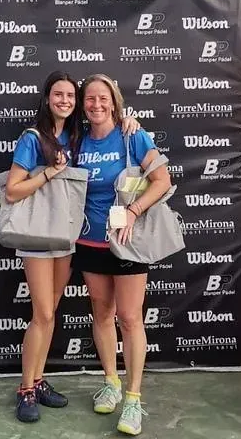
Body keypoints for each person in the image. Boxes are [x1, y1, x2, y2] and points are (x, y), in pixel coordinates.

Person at [4, 70, 141, 423]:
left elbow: (114, 134)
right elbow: (12, 190)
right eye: (58, 95)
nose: (64, 101)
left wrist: (129, 120)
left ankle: (38, 380)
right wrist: (49, 172)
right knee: (44, 314)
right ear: (47, 98)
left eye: (70, 96)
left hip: (67, 238)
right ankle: (25, 390)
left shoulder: (77, 137)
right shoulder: (33, 138)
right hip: (37, 238)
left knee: (52, 312)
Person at [72, 74, 171, 436]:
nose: (96, 105)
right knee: (102, 312)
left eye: (103, 99)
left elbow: (162, 180)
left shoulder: (132, 135)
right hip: (89, 241)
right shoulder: (77, 140)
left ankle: (132, 398)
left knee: (129, 318)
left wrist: (132, 211)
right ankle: (111, 382)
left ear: (114, 101)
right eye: (90, 100)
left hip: (128, 243)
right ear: (83, 106)